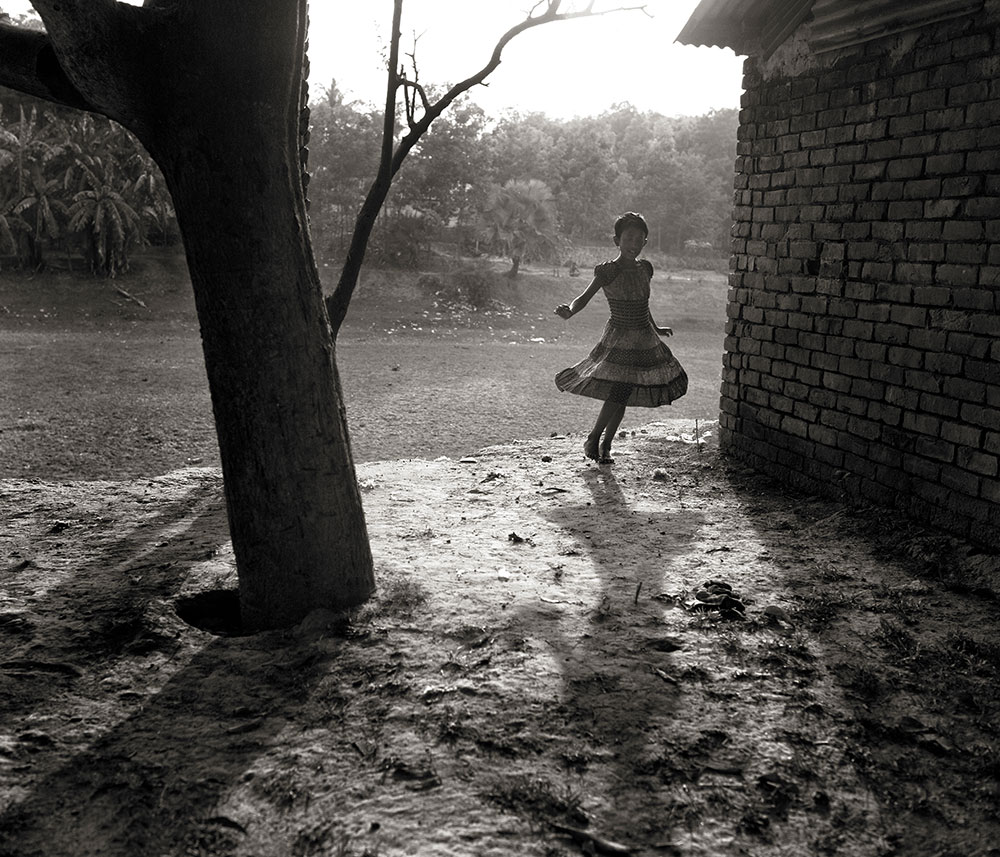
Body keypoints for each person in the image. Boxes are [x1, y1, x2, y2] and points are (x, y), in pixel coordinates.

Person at [554, 212, 688, 464]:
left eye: (639, 239)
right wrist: (570, 311)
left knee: (622, 393)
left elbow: (642, 303)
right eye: (628, 238)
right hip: (618, 338)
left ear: (645, 242)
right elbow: (584, 297)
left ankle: (605, 444)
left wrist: (656, 328)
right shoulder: (608, 272)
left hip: (643, 339)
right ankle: (595, 439)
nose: (633, 244)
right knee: (619, 392)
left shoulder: (645, 269)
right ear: (617, 241)